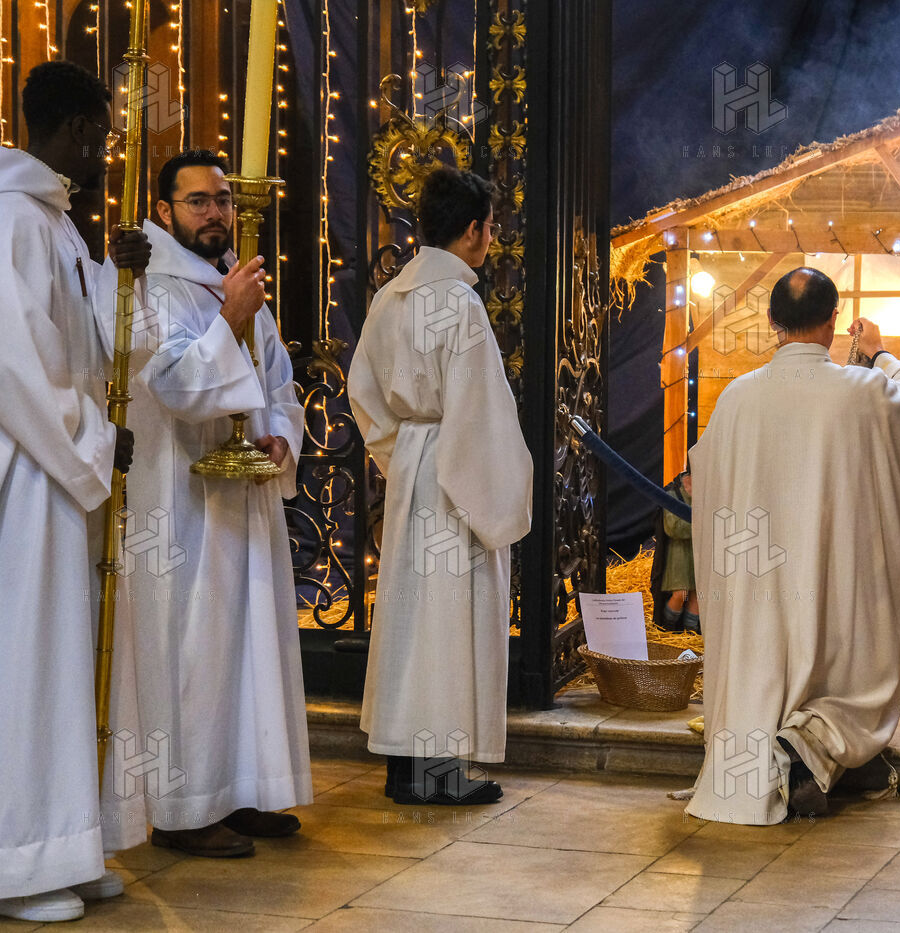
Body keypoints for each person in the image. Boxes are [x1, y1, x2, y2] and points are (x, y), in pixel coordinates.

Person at [685, 268, 900, 824]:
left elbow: (705, 479)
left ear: (773, 321)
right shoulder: (864, 391)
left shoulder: (738, 397)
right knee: (849, 664)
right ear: (833, 321)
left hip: (759, 578)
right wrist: (880, 353)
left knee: (766, 657)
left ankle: (770, 745)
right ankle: (813, 743)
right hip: (832, 573)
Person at [121, 148, 312, 858]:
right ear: (163, 210)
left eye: (224, 200)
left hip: (244, 497)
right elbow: (174, 386)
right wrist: (230, 318)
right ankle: (182, 808)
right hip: (180, 500)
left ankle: (242, 789)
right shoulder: (147, 283)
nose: (216, 213)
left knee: (249, 645)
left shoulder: (233, 279)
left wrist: (279, 435)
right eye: (198, 201)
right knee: (192, 648)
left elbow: (278, 379)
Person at [0, 61, 150, 923]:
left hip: (65, 471)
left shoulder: (55, 223)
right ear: (73, 130)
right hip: (32, 473)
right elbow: (16, 364)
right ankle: (17, 862)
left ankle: (68, 842)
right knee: (36, 660)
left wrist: (119, 277)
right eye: (102, 135)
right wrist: (94, 436)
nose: (107, 150)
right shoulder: (12, 220)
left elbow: (92, 340)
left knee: (73, 657)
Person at [348, 167, 532, 805]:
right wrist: (498, 501)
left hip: (414, 467)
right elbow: (480, 413)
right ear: (474, 229)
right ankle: (438, 773)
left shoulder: (390, 297)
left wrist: (401, 458)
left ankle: (406, 766)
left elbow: (363, 393)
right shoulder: (460, 303)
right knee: (449, 622)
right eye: (492, 227)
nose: (492, 238)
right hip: (457, 476)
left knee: (409, 622)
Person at [650, 470, 699, 632]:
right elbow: (673, 528)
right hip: (679, 553)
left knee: (697, 594)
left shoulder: (708, 491)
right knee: (680, 593)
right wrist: (701, 526)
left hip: (700, 552)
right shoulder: (673, 494)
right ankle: (668, 629)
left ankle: (691, 633)